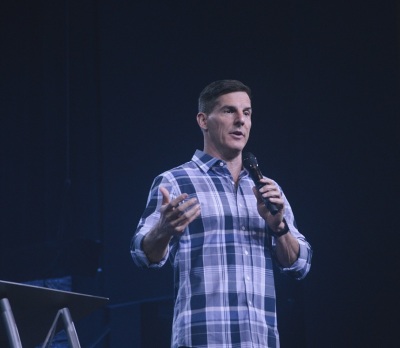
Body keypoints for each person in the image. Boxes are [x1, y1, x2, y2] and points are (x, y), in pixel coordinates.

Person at [131, 80, 312, 348]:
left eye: (247, 113)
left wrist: (279, 227)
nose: (241, 121)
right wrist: (164, 230)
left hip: (260, 341)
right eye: (229, 111)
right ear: (203, 120)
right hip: (203, 338)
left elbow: (300, 265)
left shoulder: (266, 189)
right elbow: (142, 255)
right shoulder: (175, 181)